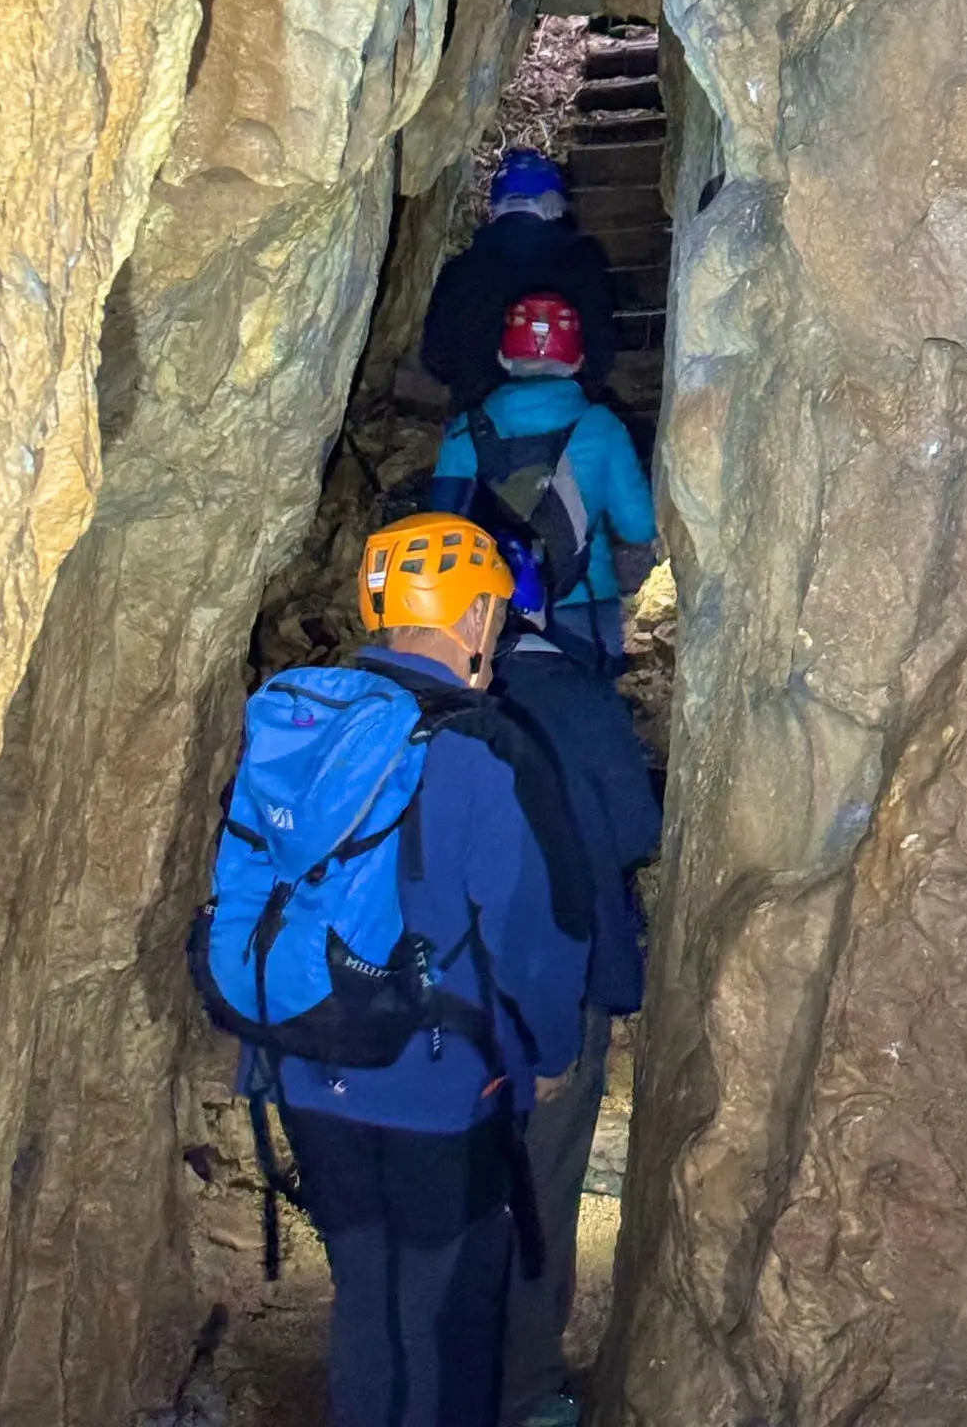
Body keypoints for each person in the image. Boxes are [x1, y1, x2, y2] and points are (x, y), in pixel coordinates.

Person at [198, 514, 591, 1427]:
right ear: (470, 617)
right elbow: (540, 930)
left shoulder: (304, 722)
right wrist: (549, 1051)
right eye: (491, 607)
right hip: (435, 1084)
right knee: (443, 1308)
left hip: (307, 1058)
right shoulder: (485, 748)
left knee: (366, 1291)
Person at [492, 598, 663, 1427]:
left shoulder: (425, 699)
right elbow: (637, 827)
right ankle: (523, 1388)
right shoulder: (580, 697)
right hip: (571, 979)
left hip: (445, 999)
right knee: (542, 1185)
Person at [428, 293, 658, 673]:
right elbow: (638, 525)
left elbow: (440, 523)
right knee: (586, 711)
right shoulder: (600, 427)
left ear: (503, 358)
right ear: (578, 361)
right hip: (582, 605)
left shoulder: (467, 431)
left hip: (487, 616)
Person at [421, 147, 618, 410]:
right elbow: (601, 354)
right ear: (554, 204)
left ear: (496, 205)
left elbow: (436, 359)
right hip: (567, 418)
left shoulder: (459, 272)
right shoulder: (583, 267)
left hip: (481, 424)